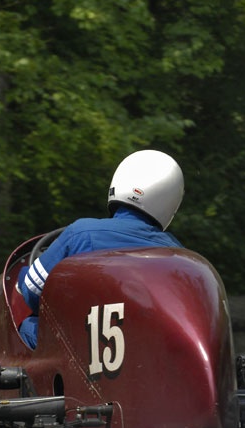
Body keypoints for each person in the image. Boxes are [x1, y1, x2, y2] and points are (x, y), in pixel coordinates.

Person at [17, 149, 185, 349]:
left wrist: (23, 276)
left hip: (83, 348)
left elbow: (33, 292)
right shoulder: (178, 254)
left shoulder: (81, 233)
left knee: (28, 326)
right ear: (170, 203)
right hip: (145, 350)